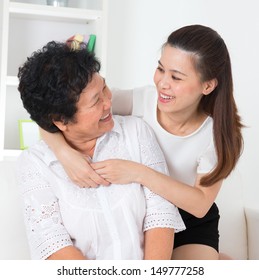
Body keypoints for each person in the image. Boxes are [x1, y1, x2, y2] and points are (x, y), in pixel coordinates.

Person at [40, 24, 244, 260]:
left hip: (191, 220)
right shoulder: (141, 100)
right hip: (141, 214)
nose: (163, 83)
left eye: (176, 77)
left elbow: (200, 205)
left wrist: (139, 172)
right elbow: (55, 112)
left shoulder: (218, 134)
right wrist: (65, 154)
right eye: (160, 69)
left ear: (207, 85)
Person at [16, 41, 185, 260]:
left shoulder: (135, 132)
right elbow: (51, 243)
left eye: (104, 87)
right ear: (61, 121)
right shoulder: (35, 164)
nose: (108, 102)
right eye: (96, 101)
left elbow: (161, 213)